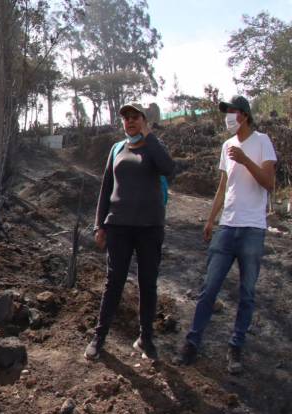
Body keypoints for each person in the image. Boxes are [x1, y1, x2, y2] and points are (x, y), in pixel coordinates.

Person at [174, 95, 276, 374]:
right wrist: (210, 220)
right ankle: (192, 343)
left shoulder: (262, 141)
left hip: (253, 229)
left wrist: (244, 160)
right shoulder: (226, 145)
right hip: (227, 226)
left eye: (231, 112)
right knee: (209, 288)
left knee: (247, 293)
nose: (227, 117)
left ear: (243, 114)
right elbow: (223, 187)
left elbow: (268, 182)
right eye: (226, 113)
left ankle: (236, 347)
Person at [85, 102, 175, 361]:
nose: (130, 122)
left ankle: (146, 339)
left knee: (148, 284)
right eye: (126, 118)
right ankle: (98, 338)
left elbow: (169, 169)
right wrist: (99, 225)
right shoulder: (116, 149)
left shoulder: (154, 147)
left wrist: (150, 137)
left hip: (150, 228)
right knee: (114, 282)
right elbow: (105, 189)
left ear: (144, 121)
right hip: (119, 227)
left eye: (135, 117)